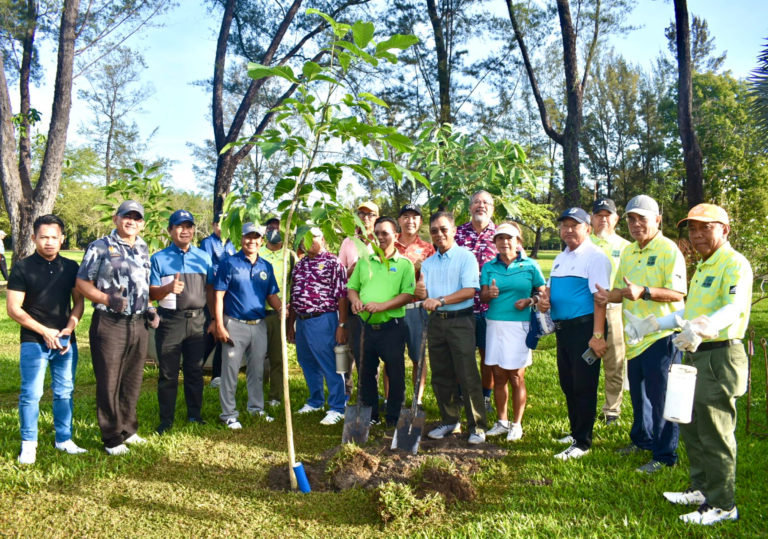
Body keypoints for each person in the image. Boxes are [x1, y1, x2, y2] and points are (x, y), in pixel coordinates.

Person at [636, 204, 749, 525]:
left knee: (715, 430)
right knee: (692, 424)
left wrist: (703, 327)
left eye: (705, 228)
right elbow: (687, 313)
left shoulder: (734, 263)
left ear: (724, 230)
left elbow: (734, 307)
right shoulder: (703, 265)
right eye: (692, 229)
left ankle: (723, 504)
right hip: (695, 353)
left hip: (719, 354)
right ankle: (701, 489)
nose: (697, 235)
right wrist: (652, 326)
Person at [594, 195, 687, 473]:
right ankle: (643, 440)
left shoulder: (669, 250)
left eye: (642, 219)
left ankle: (665, 455)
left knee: (662, 398)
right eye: (632, 219)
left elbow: (678, 293)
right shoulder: (630, 252)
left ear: (657, 220)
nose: (636, 224)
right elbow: (623, 291)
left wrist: (645, 291)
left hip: (662, 336)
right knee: (640, 394)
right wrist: (608, 295)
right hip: (635, 337)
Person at [76, 200, 159, 455]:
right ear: (116, 218)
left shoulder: (144, 247)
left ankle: (128, 429)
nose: (131, 221)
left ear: (142, 223)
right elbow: (82, 282)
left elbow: (143, 284)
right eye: (126, 216)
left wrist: (150, 308)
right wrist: (106, 299)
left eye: (136, 218)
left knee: (132, 379)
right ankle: (112, 437)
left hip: (138, 322)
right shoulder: (100, 247)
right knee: (109, 380)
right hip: (109, 322)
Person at [7, 214, 86, 464]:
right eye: (44, 237)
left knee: (64, 392)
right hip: (33, 340)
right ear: (34, 238)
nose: (49, 242)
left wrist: (70, 327)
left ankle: (64, 439)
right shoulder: (22, 267)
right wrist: (44, 331)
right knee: (31, 393)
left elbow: (79, 302)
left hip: (64, 341)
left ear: (62, 239)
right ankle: (29, 444)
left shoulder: (71, 267)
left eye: (54, 237)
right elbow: (14, 309)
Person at [538, 208, 610, 461]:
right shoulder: (560, 257)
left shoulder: (595, 257)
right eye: (564, 225)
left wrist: (598, 335)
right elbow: (550, 291)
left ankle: (582, 442)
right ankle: (575, 430)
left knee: (584, 385)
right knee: (568, 383)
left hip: (585, 329)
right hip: (563, 330)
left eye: (574, 225)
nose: (568, 230)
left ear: (587, 229)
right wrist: (544, 301)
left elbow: (600, 299)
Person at [416, 212, 488, 445]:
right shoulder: (427, 263)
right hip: (436, 322)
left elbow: (469, 291)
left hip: (461, 321)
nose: (439, 234)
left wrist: (441, 300)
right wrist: (422, 294)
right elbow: (425, 295)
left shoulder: (466, 257)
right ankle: (450, 420)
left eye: (443, 228)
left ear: (454, 230)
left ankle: (477, 426)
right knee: (441, 373)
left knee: (467, 374)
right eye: (434, 230)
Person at [480, 222, 546, 441]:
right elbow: (482, 297)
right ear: (495, 243)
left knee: (516, 376)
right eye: (500, 238)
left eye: (509, 238)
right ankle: (502, 421)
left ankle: (517, 424)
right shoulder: (489, 267)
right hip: (494, 325)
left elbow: (542, 293)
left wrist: (530, 300)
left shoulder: (530, 265)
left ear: (518, 242)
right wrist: (489, 293)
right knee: (498, 375)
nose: (505, 242)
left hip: (519, 326)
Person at [149, 210, 213, 434]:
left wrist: (213, 319)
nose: (184, 230)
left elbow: (211, 289)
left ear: (193, 230)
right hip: (170, 322)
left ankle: (195, 415)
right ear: (170, 230)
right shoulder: (158, 258)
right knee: (168, 373)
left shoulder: (204, 257)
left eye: (188, 226)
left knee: (195, 371)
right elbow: (151, 294)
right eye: (179, 226)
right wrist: (168, 288)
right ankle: (166, 420)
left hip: (198, 321)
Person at [348, 216, 415, 426]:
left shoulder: (404, 265)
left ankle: (394, 417)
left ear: (396, 236)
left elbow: (407, 295)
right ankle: (371, 416)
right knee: (366, 373)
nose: (380, 237)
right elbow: (352, 288)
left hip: (392, 327)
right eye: (376, 234)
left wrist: (382, 306)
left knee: (395, 373)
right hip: (365, 326)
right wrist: (355, 300)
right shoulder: (365, 262)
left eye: (385, 233)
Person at [212, 223, 281, 429]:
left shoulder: (266, 266)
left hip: (259, 325)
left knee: (257, 369)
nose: (251, 241)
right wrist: (219, 325)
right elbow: (219, 295)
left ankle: (256, 408)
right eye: (247, 237)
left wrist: (281, 309)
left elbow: (271, 294)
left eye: (255, 237)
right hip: (235, 324)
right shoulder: (229, 263)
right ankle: (229, 414)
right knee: (231, 370)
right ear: (241, 239)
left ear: (262, 240)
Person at [287, 227, 349, 425]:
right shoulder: (300, 265)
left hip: (323, 318)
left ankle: (338, 406)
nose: (307, 241)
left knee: (330, 363)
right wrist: (291, 325)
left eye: (312, 237)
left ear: (322, 238)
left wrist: (342, 324)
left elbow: (342, 296)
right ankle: (315, 401)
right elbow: (294, 296)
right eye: (303, 237)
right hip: (302, 321)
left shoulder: (333, 262)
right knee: (307, 362)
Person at [455, 190, 498, 413]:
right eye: (477, 202)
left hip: (492, 308)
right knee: (463, 354)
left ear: (493, 208)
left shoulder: (501, 235)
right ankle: (464, 395)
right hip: (462, 307)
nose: (481, 205)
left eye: (486, 203)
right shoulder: (457, 234)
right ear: (470, 207)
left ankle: (486, 396)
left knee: (487, 355)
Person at [589, 198, 631, 425]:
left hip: (614, 308)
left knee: (614, 361)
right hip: (587, 309)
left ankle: (611, 410)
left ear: (615, 219)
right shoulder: (583, 243)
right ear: (592, 219)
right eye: (598, 215)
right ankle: (585, 406)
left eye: (608, 215)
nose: (603, 219)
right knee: (585, 361)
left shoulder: (626, 247)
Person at [395, 204, 435, 404]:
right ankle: (392, 398)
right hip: (391, 307)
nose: (410, 221)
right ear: (399, 220)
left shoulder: (428, 248)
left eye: (414, 217)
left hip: (415, 309)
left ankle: (416, 399)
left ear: (420, 221)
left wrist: (425, 290)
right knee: (392, 357)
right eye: (406, 216)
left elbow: (435, 278)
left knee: (418, 355)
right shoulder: (388, 243)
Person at [338, 201, 378, 395]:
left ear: (377, 218)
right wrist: (350, 270)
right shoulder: (348, 242)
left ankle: (370, 391)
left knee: (371, 351)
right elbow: (339, 274)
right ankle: (346, 390)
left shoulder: (381, 240)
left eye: (370, 215)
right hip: (353, 304)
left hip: (376, 304)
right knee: (350, 349)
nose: (365, 218)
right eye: (361, 214)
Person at [259, 219, 297, 407]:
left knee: (277, 357)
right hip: (257, 312)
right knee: (256, 356)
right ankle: (256, 393)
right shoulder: (257, 252)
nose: (273, 230)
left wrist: (290, 320)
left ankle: (274, 396)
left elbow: (295, 286)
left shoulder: (289, 256)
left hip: (279, 314)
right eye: (270, 228)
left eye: (277, 227)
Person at [200, 215, 236, 388]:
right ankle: (194, 368)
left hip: (228, 293)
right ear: (213, 225)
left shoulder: (232, 243)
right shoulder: (208, 242)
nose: (222, 227)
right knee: (211, 331)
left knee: (224, 332)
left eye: (226, 224)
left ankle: (217, 375)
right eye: (219, 224)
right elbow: (208, 269)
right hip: (213, 292)